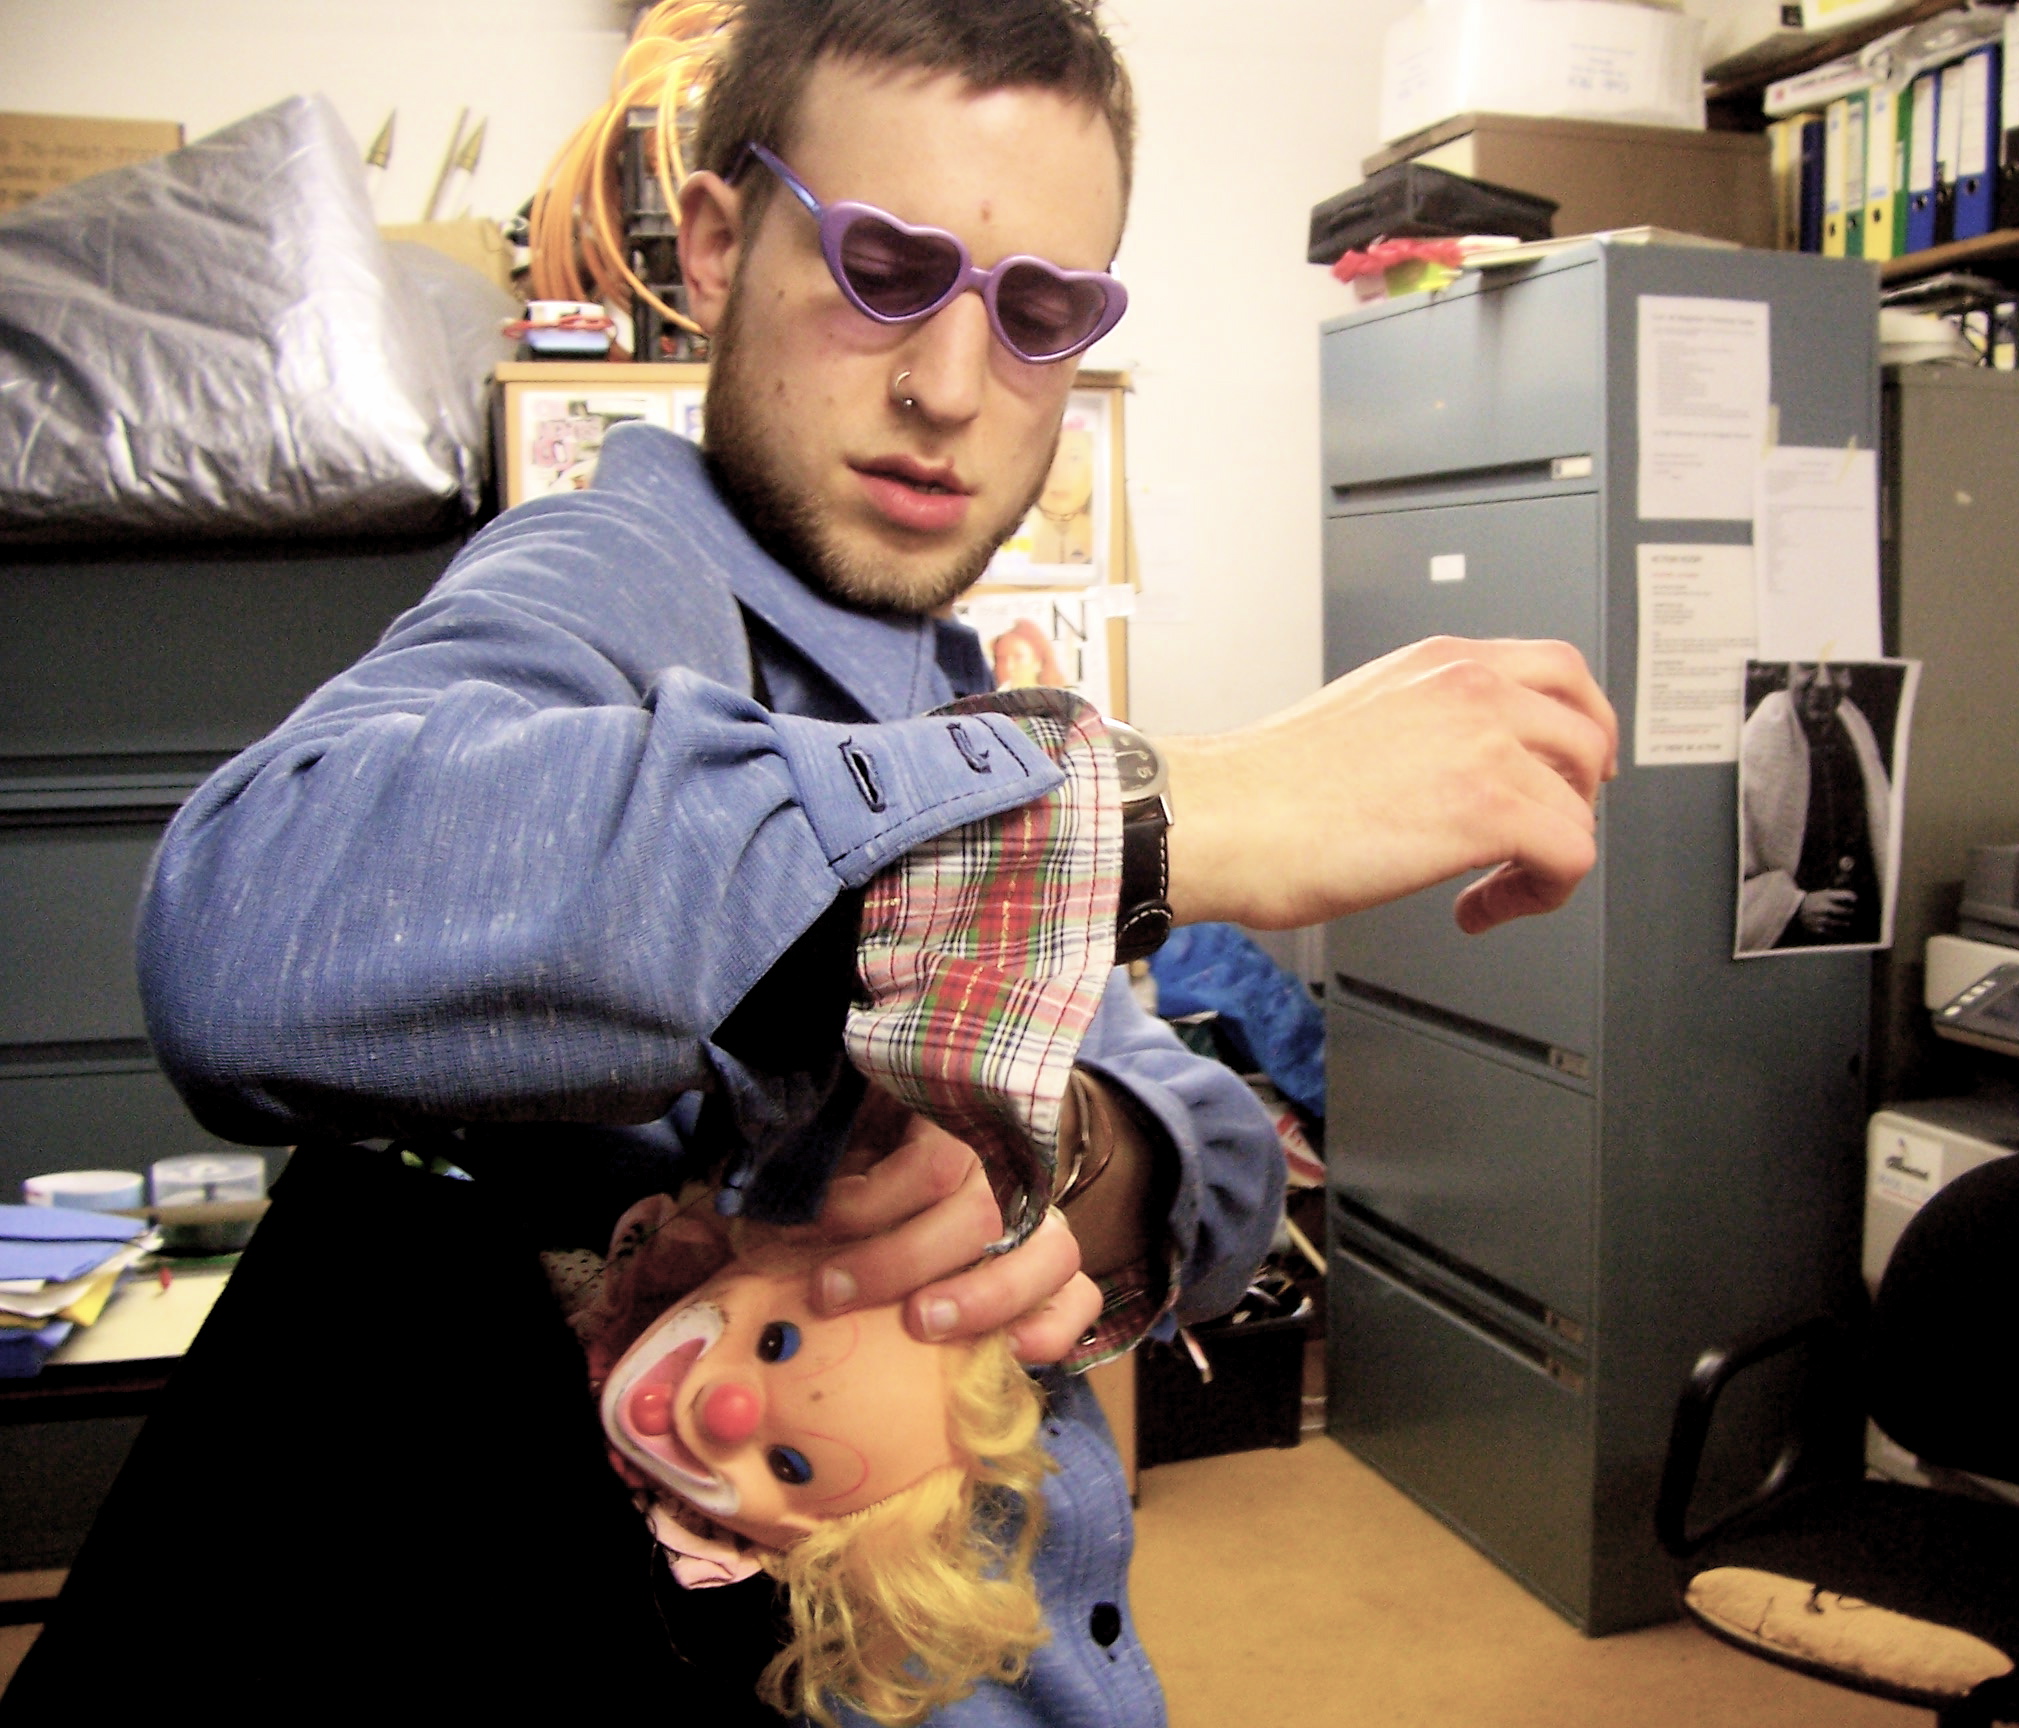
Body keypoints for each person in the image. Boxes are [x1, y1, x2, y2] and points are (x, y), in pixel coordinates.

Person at [1, 2, 1615, 1722]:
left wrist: (1069, 1160)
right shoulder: (617, 577)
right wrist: (1147, 814)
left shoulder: (954, 693)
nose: (949, 387)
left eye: (1038, 314)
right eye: (881, 270)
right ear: (715, 247)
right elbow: (248, 924)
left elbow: (1203, 1149)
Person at [1738, 661, 1889, 952]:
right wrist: (1795, 906)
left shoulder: (1854, 730)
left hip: (1854, 928)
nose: (1823, 682)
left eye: (1837, 668)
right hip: (1787, 939)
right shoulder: (1758, 742)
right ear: (1785, 674)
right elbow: (1731, 869)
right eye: (1808, 667)